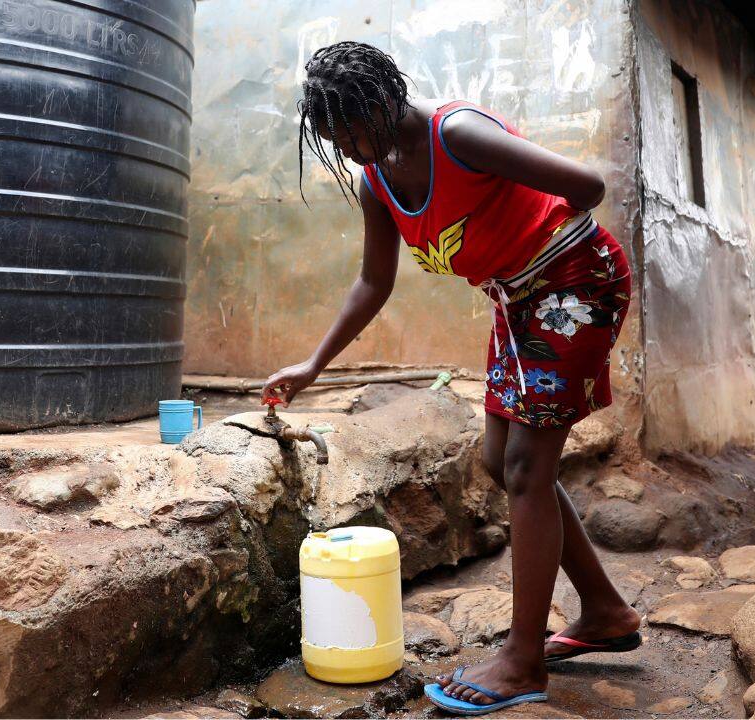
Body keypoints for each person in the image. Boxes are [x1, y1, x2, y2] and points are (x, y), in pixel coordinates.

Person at [263, 41, 640, 715]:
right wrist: (313, 364)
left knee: (527, 465)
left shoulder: (458, 135)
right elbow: (373, 281)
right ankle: (606, 611)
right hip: (515, 299)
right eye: (333, 140)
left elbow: (586, 188)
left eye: (352, 131)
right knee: (502, 462)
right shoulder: (378, 178)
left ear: (382, 102)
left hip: (575, 280)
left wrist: (529, 232)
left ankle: (523, 663)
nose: (349, 150)